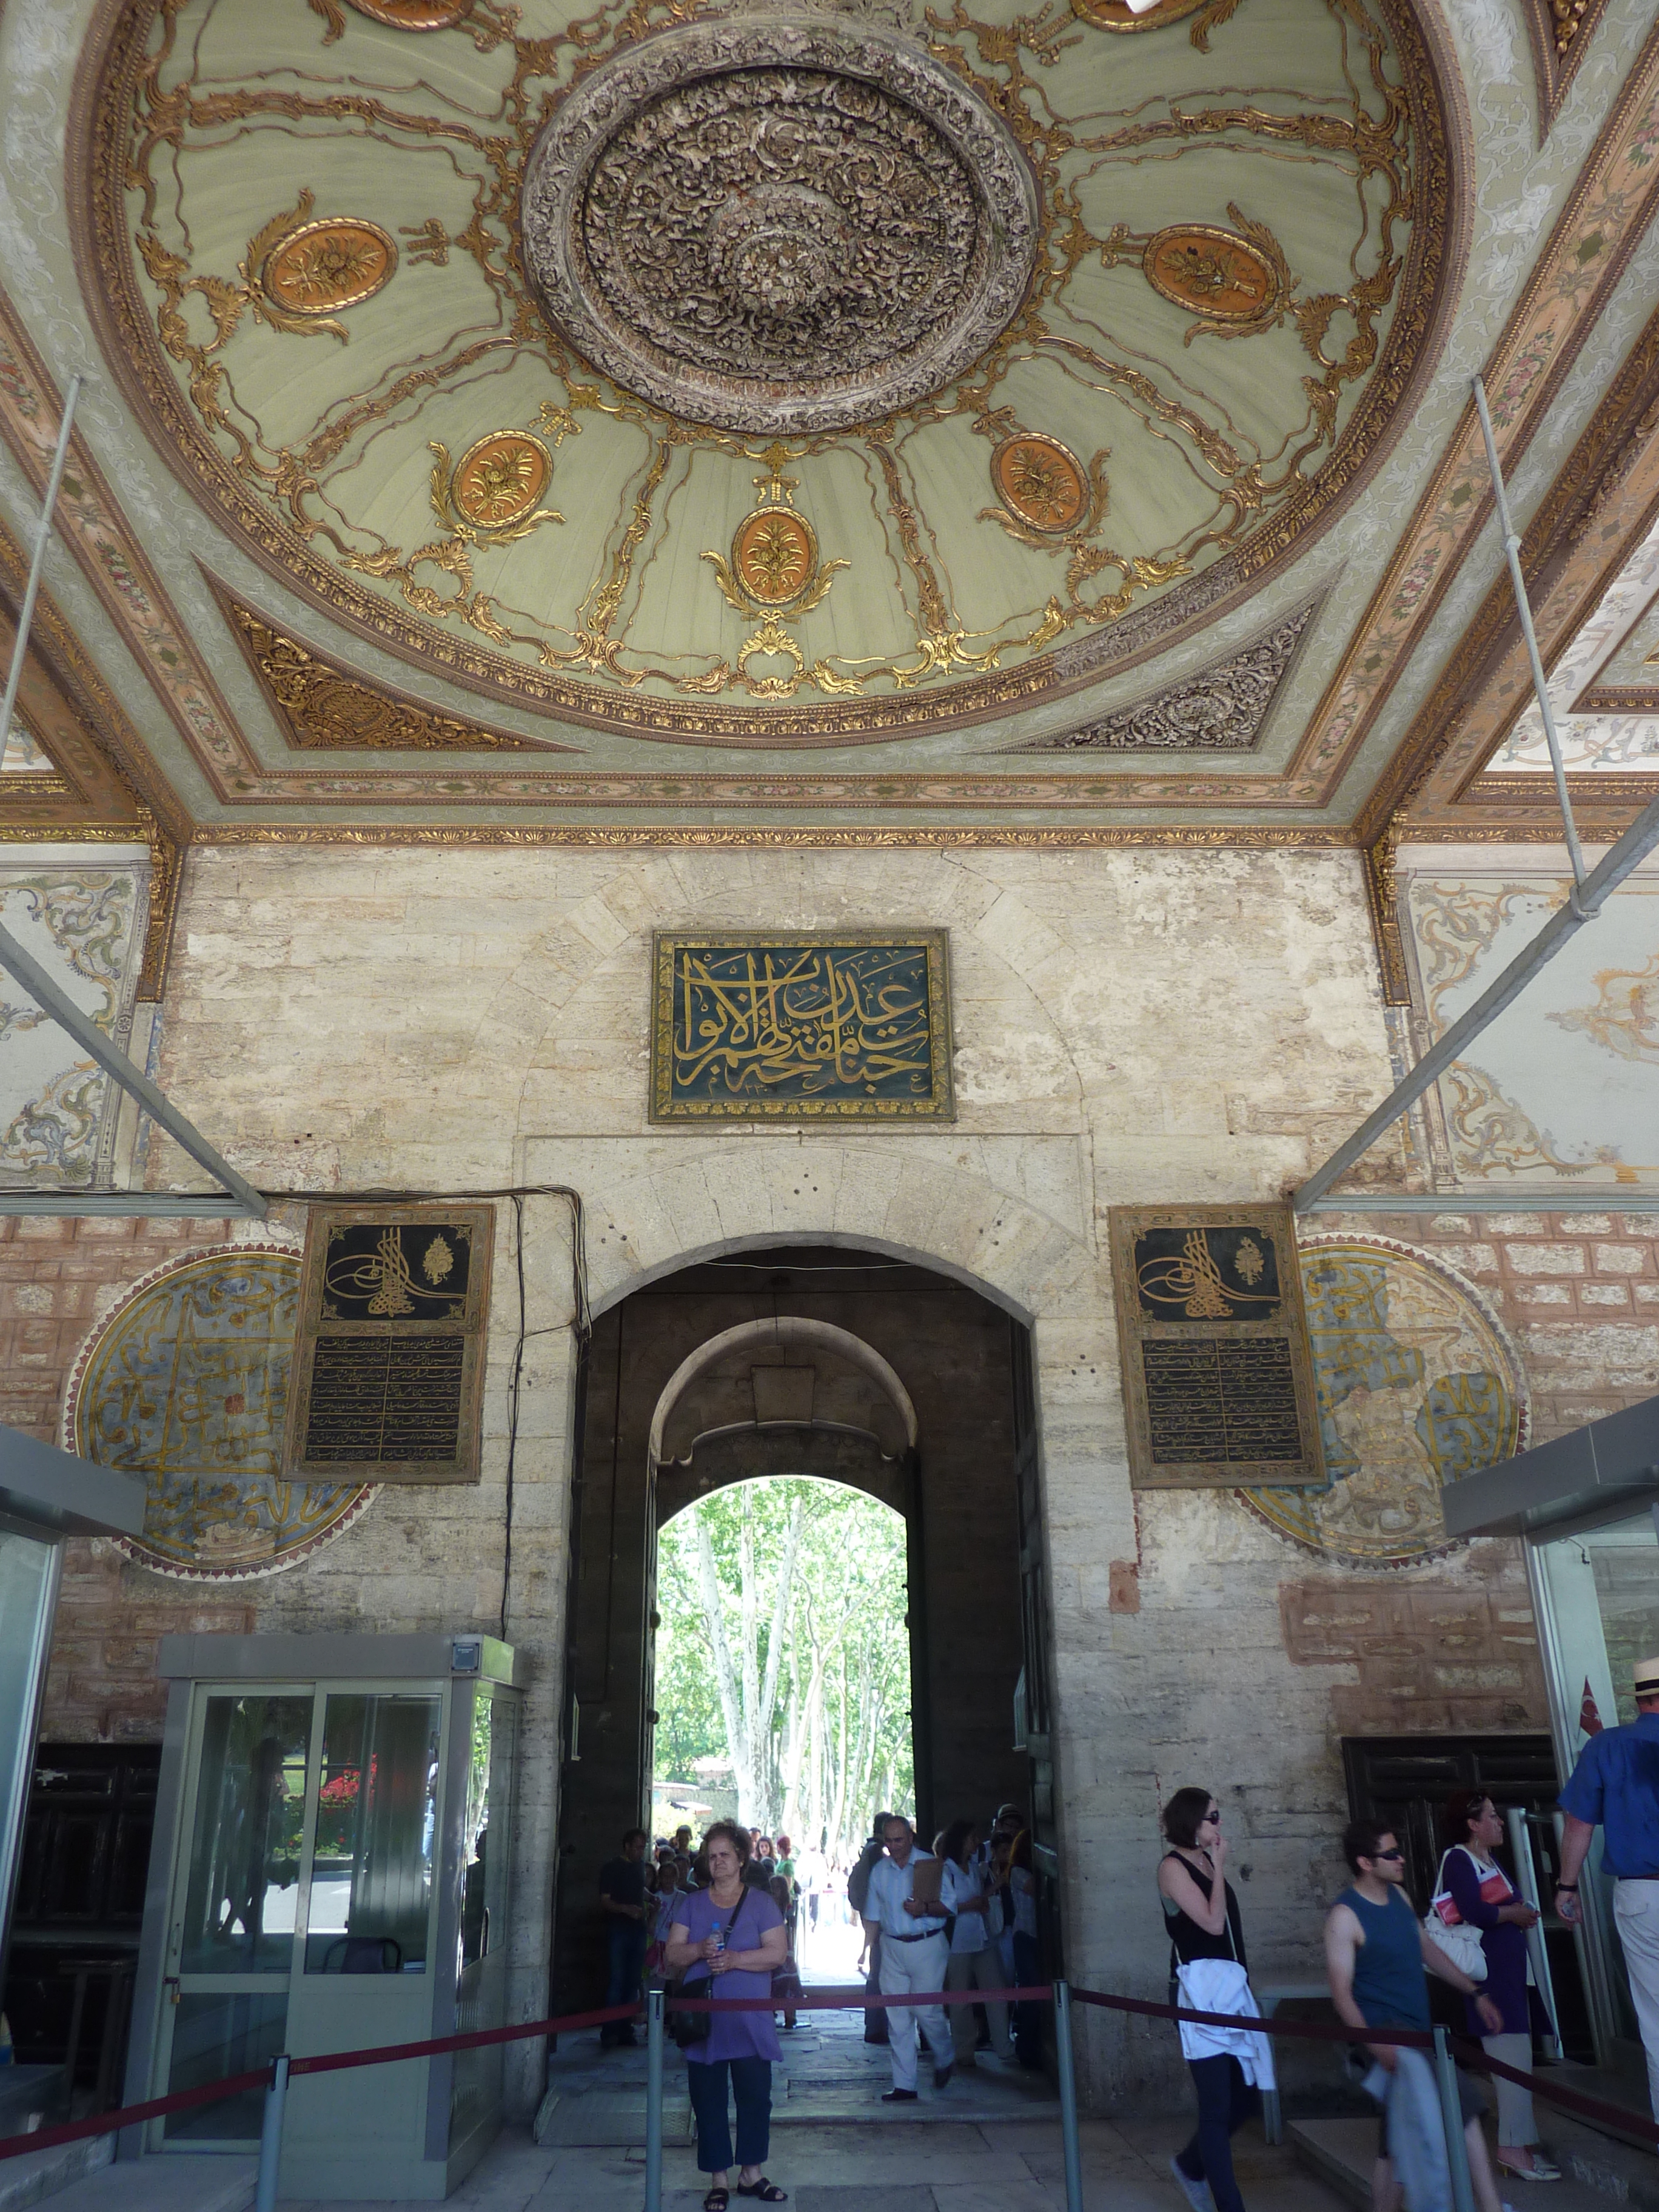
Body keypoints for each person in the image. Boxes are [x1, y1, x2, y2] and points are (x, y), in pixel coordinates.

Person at [1326, 1819, 1511, 2212]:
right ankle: (1491, 2208)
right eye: (1390, 1854)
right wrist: (1375, 2047)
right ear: (1364, 1862)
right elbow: (1341, 1993)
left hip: (1415, 2030)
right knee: (1463, 2101)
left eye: (1399, 1850)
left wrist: (1474, 1992)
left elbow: (1427, 1950)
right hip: (1387, 2035)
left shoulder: (1400, 1898)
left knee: (1393, 2144)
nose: (1401, 1858)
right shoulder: (1345, 1916)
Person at [664, 1822, 789, 2212]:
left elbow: (777, 1954)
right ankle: (718, 2177)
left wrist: (735, 1959)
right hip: (706, 2021)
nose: (718, 1862)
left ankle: (751, 2172)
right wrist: (701, 1950)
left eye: (725, 1855)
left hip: (750, 2021)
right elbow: (672, 1955)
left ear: (740, 1859)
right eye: (711, 1855)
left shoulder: (762, 1903)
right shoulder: (692, 1903)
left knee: (755, 2097)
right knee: (709, 2099)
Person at [1556, 1654, 1659, 2122]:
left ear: (1640, 1700)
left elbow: (1579, 1824)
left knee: (1656, 2022)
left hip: (1642, 1895)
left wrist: (1566, 1885)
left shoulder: (1606, 1747)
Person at [1437, 1792, 1558, 2182]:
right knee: (1510, 2064)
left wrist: (1518, 1915)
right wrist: (1515, 1913)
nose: (1501, 1822)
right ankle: (1511, 2148)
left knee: (1519, 2059)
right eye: (1492, 1816)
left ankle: (1521, 2145)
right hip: (1492, 1979)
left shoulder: (1488, 1860)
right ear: (1473, 1823)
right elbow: (1474, 1911)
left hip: (1510, 1974)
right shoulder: (1459, 1858)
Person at [1158, 1789, 1265, 2212]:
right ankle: (1229, 2206)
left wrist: (1215, 1865)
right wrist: (1220, 1867)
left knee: (1245, 2098)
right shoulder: (1172, 1867)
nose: (1220, 1825)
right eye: (1213, 1817)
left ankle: (1189, 2164)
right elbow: (1212, 1922)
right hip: (1197, 1996)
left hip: (1230, 1993)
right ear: (1192, 1822)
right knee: (1217, 2105)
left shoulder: (1205, 1860)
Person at [862, 1813, 954, 2102]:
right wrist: (866, 1951)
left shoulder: (930, 1865)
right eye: (888, 1841)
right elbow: (873, 1916)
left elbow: (950, 1907)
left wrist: (924, 1908)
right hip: (891, 1947)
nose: (893, 1846)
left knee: (926, 2010)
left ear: (911, 1837)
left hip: (927, 1945)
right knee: (897, 2016)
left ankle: (945, 2055)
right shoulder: (880, 1871)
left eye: (899, 1840)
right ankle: (905, 2084)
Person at [937, 1818, 1014, 2068]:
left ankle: (1004, 2045)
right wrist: (971, 1905)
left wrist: (991, 1891)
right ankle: (964, 2050)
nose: (976, 1841)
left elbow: (978, 1897)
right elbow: (942, 1908)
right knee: (960, 2000)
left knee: (997, 1992)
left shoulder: (973, 1867)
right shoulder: (946, 1871)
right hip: (958, 1943)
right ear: (961, 1841)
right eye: (972, 1837)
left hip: (982, 1939)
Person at [598, 1826, 651, 2047]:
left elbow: (640, 1891)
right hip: (619, 1929)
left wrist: (650, 1898)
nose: (640, 1851)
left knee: (633, 1980)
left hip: (638, 1930)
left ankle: (625, 2028)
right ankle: (610, 2029)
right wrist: (626, 1910)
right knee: (618, 1980)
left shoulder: (640, 1867)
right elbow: (605, 1900)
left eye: (643, 1847)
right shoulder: (612, 1868)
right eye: (637, 1847)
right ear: (627, 1846)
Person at [849, 1815, 891, 2044]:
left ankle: (875, 2027)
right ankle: (875, 2028)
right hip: (881, 1922)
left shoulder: (869, 1850)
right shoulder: (877, 1854)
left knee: (878, 1974)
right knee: (879, 1976)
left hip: (873, 1919)